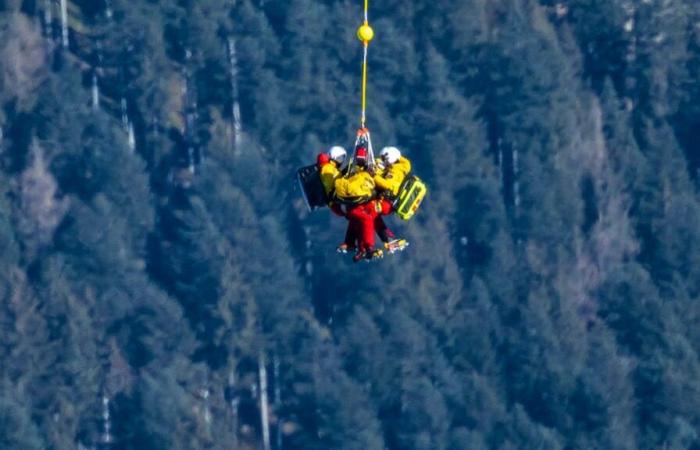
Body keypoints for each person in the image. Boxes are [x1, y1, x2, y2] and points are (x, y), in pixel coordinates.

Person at [334, 146, 383, 262]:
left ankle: (358, 246)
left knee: (357, 221)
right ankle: (367, 246)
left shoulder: (352, 169)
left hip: (351, 204)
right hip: (356, 203)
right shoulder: (358, 170)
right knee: (367, 219)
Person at [372, 146, 410, 252]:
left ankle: (386, 239)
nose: (384, 162)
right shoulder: (399, 168)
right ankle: (388, 239)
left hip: (386, 203)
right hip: (387, 202)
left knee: (367, 210)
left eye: (385, 159)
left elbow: (387, 184)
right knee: (372, 216)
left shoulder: (396, 170)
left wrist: (373, 175)